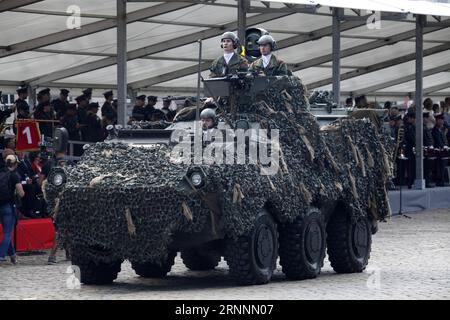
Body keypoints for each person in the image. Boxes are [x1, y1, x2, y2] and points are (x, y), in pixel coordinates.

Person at [0, 154, 25, 264]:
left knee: (6, 233)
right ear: (15, 164)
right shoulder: (14, 175)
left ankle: (13, 255)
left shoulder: (0, 172)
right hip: (8, 206)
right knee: (7, 233)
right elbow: (21, 193)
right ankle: (1, 256)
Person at [432, 113, 448, 186]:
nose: (442, 121)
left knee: (443, 166)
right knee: (439, 166)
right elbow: (438, 140)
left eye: (442, 120)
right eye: (440, 120)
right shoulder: (435, 130)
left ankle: (442, 179)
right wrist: (443, 146)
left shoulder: (441, 129)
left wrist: (446, 146)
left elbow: (445, 139)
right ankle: (439, 180)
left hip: (443, 151)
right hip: (438, 151)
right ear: (437, 120)